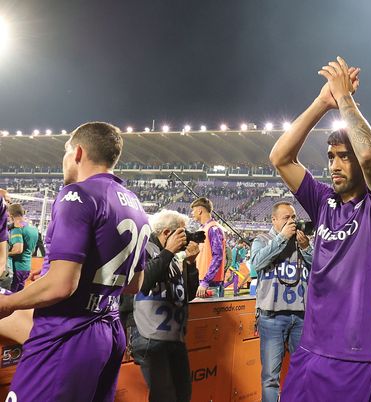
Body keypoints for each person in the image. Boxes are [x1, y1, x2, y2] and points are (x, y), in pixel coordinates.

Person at [269, 56, 371, 401]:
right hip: (311, 348)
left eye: (344, 156)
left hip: (354, 353)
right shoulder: (323, 201)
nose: (335, 165)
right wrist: (322, 102)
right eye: (331, 157)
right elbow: (280, 157)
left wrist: (346, 100)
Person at [0, 121, 150, 401]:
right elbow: (134, 284)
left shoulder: (77, 194)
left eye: (65, 152)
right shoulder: (134, 202)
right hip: (110, 330)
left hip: (68, 332)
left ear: (78, 152)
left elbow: (62, 285)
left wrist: (8, 303)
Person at [128, 209, 199, 402]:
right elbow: (142, 282)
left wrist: (191, 265)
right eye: (181, 234)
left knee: (183, 395)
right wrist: (168, 252)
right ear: (167, 233)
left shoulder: (173, 258)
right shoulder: (143, 249)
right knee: (164, 397)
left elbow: (187, 294)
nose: (185, 240)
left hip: (174, 337)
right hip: (149, 336)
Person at [250, 201, 313, 402]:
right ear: (274, 220)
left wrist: (306, 248)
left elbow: (320, 268)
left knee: (304, 371)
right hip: (271, 317)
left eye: (293, 217)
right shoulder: (262, 239)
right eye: (286, 218)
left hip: (301, 317)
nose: (292, 221)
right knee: (270, 377)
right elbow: (257, 263)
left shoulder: (302, 242)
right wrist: (281, 238)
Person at [190, 197, 226, 298]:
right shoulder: (204, 228)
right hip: (203, 281)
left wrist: (205, 282)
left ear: (200, 210)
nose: (192, 213)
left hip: (210, 284)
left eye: (193, 210)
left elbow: (218, 256)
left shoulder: (213, 229)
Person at [7, 204, 39, 292]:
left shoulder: (17, 229)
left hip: (16, 268)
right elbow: (32, 250)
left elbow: (18, 250)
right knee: (18, 297)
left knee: (9, 298)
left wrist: (4, 254)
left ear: (11, 216)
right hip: (26, 267)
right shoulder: (33, 229)